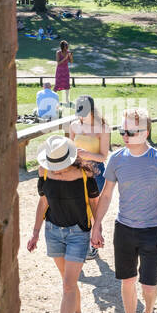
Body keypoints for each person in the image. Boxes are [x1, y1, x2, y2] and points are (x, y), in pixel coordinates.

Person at [90, 107, 157, 313]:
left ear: (146, 132)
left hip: (152, 230)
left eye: (131, 131)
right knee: (127, 280)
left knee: (148, 286)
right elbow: (106, 195)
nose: (125, 135)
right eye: (122, 130)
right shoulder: (117, 159)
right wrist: (96, 226)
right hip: (124, 229)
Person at [27, 134, 101, 313]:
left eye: (59, 165)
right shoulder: (44, 172)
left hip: (78, 233)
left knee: (68, 285)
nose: (55, 169)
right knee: (68, 281)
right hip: (53, 231)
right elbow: (43, 202)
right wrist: (35, 232)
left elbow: (95, 204)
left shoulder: (85, 174)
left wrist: (97, 229)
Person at [69, 95, 110, 257]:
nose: (81, 117)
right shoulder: (73, 126)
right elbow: (69, 148)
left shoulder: (103, 128)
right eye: (78, 113)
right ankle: (80, 241)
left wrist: (87, 154)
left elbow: (103, 156)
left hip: (96, 172)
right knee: (78, 208)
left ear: (92, 111)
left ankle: (94, 241)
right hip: (77, 171)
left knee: (93, 209)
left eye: (84, 113)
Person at [54, 40, 73, 105]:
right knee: (57, 84)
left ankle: (67, 100)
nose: (67, 46)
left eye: (67, 45)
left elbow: (71, 62)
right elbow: (58, 63)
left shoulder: (68, 52)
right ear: (62, 46)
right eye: (66, 45)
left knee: (67, 85)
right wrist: (65, 58)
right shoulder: (58, 52)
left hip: (66, 70)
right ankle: (54, 99)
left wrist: (70, 57)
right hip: (59, 70)